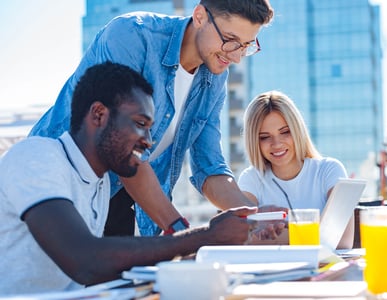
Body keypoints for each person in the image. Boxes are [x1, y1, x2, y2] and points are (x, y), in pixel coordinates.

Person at [0, 62, 257, 294]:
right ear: (99, 115)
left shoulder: (98, 183)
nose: (148, 140)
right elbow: (85, 261)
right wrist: (205, 236)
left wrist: (190, 251)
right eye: (139, 123)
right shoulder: (36, 156)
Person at [29, 0, 274, 236]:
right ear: (200, 16)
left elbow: (209, 167)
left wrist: (256, 216)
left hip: (117, 197)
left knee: (119, 278)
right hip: (55, 187)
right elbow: (121, 147)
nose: (236, 57)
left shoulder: (214, 79)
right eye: (230, 41)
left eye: (246, 45)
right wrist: (180, 231)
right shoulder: (132, 35)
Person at [238, 90, 354, 249]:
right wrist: (315, 234)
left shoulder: (330, 170)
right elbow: (243, 239)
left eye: (285, 132)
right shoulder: (251, 179)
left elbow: (342, 241)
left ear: (297, 130)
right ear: (254, 141)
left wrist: (278, 236)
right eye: (264, 137)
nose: (276, 143)